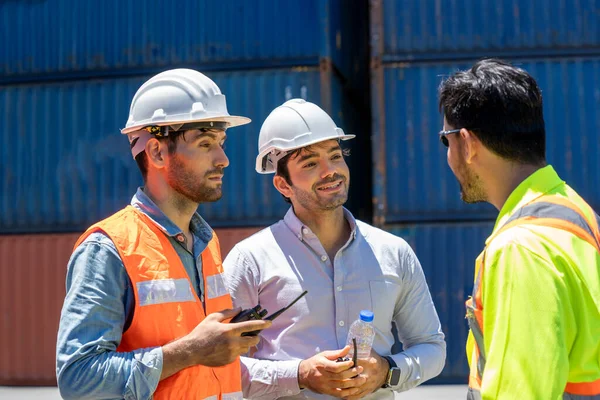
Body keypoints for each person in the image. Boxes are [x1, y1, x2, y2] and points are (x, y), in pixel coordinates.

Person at [56, 68, 271, 400]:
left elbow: (209, 371)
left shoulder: (206, 242)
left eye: (222, 143)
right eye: (205, 144)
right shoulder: (109, 249)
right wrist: (190, 350)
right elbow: (79, 380)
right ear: (157, 152)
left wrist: (302, 374)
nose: (224, 159)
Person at [223, 99, 446, 399]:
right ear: (283, 185)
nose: (331, 171)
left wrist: (386, 371)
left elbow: (431, 347)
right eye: (311, 163)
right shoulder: (250, 260)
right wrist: (299, 375)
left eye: (336, 156)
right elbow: (219, 366)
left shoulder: (393, 252)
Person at [438, 58, 600, 399]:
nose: (448, 154)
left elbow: (523, 391)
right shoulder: (575, 213)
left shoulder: (520, 247)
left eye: (445, 140)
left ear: (466, 143)